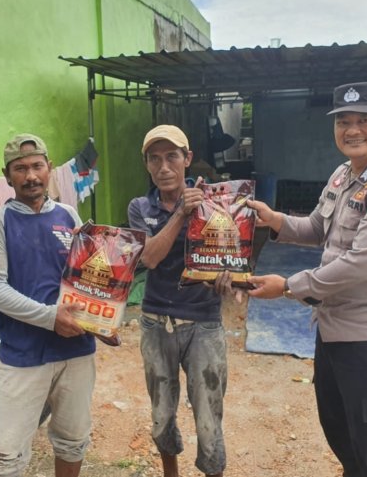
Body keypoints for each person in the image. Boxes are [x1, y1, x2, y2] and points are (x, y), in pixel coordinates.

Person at [246, 82, 367, 477]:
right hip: (332, 337)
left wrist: (289, 287)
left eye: (365, 120)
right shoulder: (344, 174)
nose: (352, 130)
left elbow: (359, 263)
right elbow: (317, 227)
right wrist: (275, 220)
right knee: (348, 446)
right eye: (343, 121)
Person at [0, 133, 96, 477]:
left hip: (76, 349)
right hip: (23, 356)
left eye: (37, 166)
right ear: (7, 174)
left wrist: (104, 309)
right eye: (20, 168)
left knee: (73, 440)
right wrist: (49, 317)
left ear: (50, 169)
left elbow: (84, 277)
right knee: (4, 458)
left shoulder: (69, 214)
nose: (30, 176)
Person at [127, 124, 233, 477]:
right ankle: (170, 472)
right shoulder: (140, 208)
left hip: (204, 323)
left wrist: (228, 272)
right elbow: (150, 258)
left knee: (208, 417)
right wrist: (180, 214)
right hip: (157, 321)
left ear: (187, 159)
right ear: (146, 164)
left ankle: (213, 471)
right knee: (161, 415)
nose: (164, 167)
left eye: (172, 156)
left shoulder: (217, 204)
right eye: (154, 159)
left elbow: (230, 254)